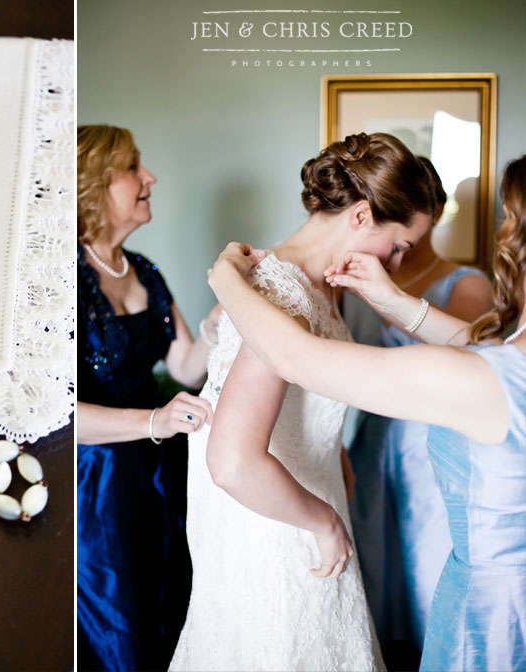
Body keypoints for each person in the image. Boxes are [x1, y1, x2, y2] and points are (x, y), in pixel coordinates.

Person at [207, 154, 526, 672]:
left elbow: (293, 358)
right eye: (399, 245)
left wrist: (225, 279)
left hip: (496, 612)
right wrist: (393, 300)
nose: (502, 233)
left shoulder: (489, 377)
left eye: (508, 221)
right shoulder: (507, 357)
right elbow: (483, 344)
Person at [169, 132, 435, 672]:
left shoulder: (321, 288)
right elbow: (234, 460)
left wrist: (334, 459)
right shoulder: (279, 295)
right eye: (401, 244)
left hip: (306, 496)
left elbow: (302, 400)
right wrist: (324, 522)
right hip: (274, 521)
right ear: (361, 215)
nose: (400, 263)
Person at [76, 125, 220, 671]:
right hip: (96, 485)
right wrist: (153, 420)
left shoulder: (146, 271)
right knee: (120, 626)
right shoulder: (61, 279)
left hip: (159, 474)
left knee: (168, 608)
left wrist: (223, 312)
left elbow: (184, 364)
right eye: (135, 166)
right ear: (95, 183)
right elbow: (59, 413)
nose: (150, 177)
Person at [342, 156, 494, 657]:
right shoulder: (351, 272)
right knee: (373, 557)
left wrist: (387, 297)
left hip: (430, 441)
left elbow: (466, 355)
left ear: (436, 210)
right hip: (372, 436)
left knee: (426, 558)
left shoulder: (466, 281)